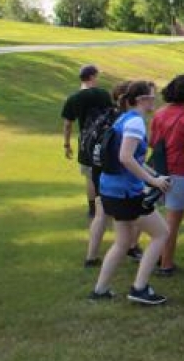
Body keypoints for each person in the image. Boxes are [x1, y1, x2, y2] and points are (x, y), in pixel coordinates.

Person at [90, 80, 172, 305]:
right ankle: (139, 288)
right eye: (151, 97)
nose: (154, 100)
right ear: (140, 100)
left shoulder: (124, 118)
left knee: (123, 241)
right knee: (161, 233)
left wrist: (153, 173)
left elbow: (132, 157)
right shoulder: (135, 122)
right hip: (125, 192)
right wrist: (153, 181)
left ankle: (100, 290)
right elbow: (125, 157)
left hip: (110, 189)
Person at [150, 74, 184, 276]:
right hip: (180, 172)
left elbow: (152, 142)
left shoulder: (159, 114)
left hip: (157, 171)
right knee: (172, 224)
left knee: (159, 220)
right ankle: (166, 265)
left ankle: (157, 256)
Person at [61, 64, 115, 266]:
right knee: (102, 171)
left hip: (86, 142)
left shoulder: (74, 98)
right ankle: (104, 203)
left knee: (89, 175)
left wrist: (66, 144)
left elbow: (68, 123)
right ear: (93, 76)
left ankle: (93, 208)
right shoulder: (102, 94)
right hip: (104, 141)